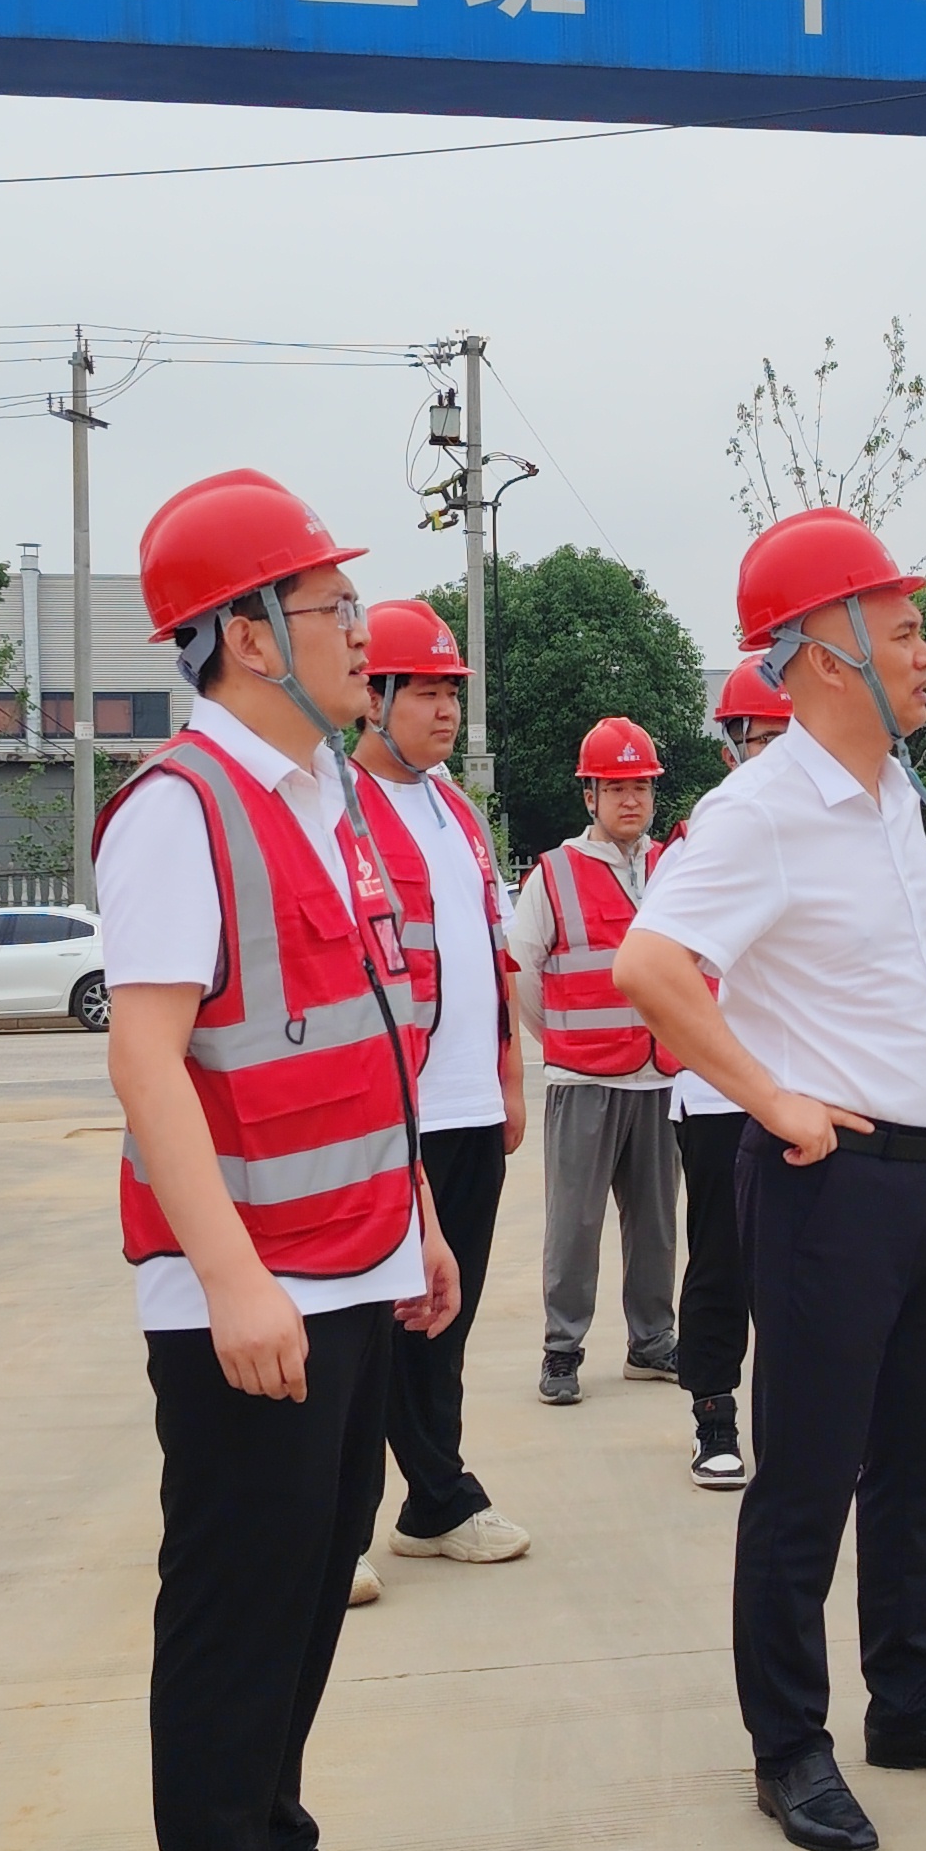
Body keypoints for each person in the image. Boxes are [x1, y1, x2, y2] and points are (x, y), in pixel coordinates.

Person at [614, 509, 926, 1851]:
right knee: (806, 1479)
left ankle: (908, 1700)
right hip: (826, 1185)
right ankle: (789, 1745)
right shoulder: (760, 811)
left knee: (919, 1469)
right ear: (825, 654)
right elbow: (649, 968)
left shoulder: (893, 795)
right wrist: (771, 1095)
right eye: (906, 632)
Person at [98, 469, 460, 1851]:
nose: (360, 635)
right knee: (236, 1624)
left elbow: (369, 1029)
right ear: (246, 635)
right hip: (250, 1296)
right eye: (329, 608)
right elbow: (149, 1060)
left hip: (356, 1259)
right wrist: (234, 1280)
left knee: (316, 1588)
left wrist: (416, 1223)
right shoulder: (182, 810)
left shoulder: (328, 795)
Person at [348, 598, 532, 1575]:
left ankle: (433, 1500)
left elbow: (493, 954)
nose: (446, 710)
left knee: (441, 1321)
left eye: (452, 691)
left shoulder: (457, 813)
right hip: (390, 1112)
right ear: (371, 698)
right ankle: (344, 1525)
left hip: (467, 1106)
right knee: (366, 1327)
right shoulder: (336, 806)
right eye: (423, 691)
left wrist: (509, 1076)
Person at [506, 718, 682, 1408]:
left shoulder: (673, 867)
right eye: (615, 788)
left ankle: (652, 1342)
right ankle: (562, 1348)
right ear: (590, 796)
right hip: (584, 1080)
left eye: (640, 786)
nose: (630, 800)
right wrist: (563, 1039)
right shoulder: (554, 874)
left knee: (657, 1224)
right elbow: (522, 974)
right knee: (574, 1225)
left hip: (659, 1079)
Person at [662, 657, 791, 1494]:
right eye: (764, 739)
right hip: (719, 1098)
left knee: (801, 1268)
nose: (778, 755)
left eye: (790, 737)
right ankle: (715, 1414)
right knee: (724, 1261)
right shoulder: (703, 844)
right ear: (730, 748)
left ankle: (796, 1422)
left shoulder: (822, 835)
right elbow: (661, 971)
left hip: (805, 1095)